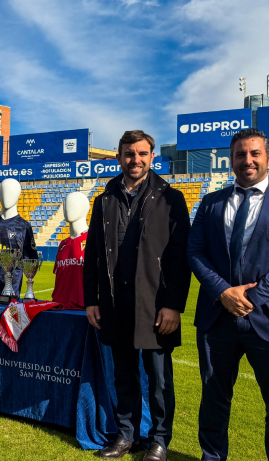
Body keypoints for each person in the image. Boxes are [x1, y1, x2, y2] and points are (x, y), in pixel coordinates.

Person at [188, 128, 269, 461]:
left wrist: (250, 298)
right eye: (240, 154)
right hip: (217, 320)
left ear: (268, 158)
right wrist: (222, 292)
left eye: (254, 153)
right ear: (231, 160)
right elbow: (195, 251)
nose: (247, 160)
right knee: (214, 402)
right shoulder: (211, 202)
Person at [83, 130, 191, 461]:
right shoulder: (104, 200)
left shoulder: (171, 198)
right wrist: (91, 299)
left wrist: (174, 305)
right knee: (124, 375)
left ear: (151, 157)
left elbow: (180, 258)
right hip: (116, 305)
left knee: (158, 380)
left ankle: (159, 440)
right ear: (119, 157)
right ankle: (126, 435)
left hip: (156, 307)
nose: (136, 160)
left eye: (142, 154)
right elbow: (93, 256)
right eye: (129, 154)